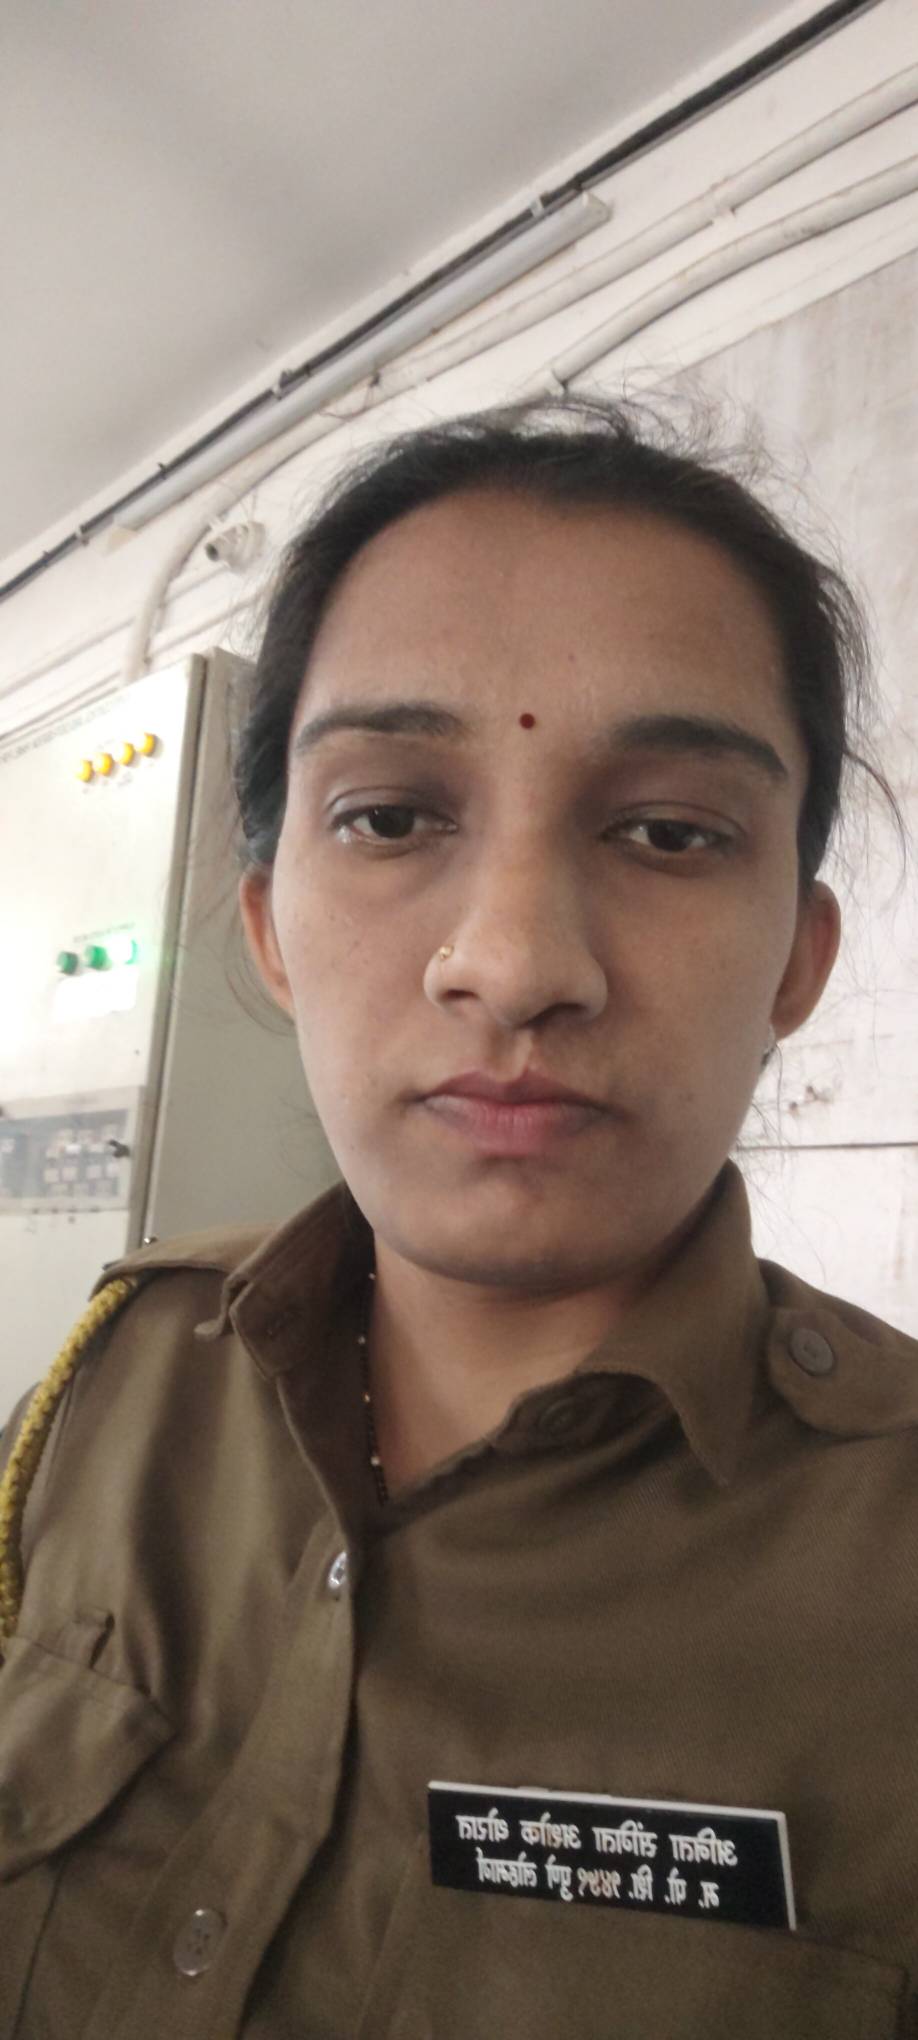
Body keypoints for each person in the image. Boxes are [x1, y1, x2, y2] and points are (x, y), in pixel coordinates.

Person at [0, 395, 915, 2040]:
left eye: (667, 832)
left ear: (796, 961)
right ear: (270, 933)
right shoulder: (109, 1388)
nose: (512, 963)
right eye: (391, 816)